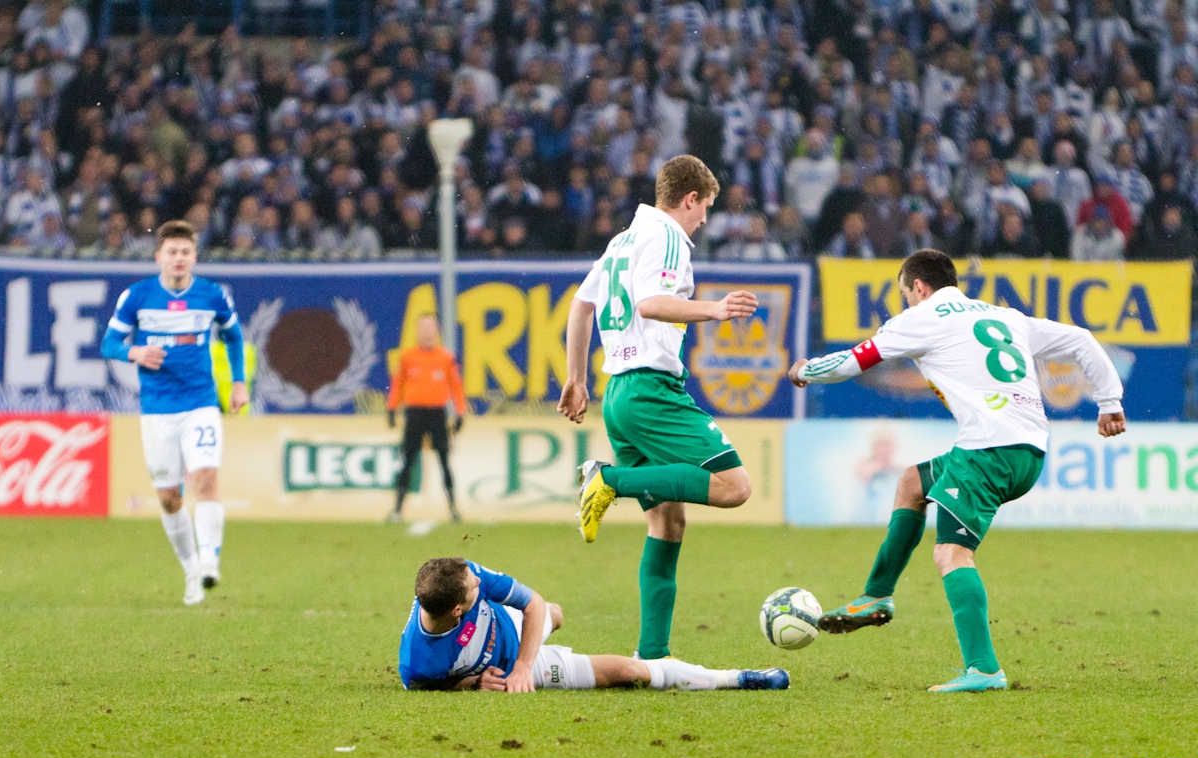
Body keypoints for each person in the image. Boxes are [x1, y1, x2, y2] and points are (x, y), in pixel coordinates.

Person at [788, 249, 1126, 692]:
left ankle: (984, 668)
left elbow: (855, 360)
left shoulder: (921, 316)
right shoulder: (1005, 317)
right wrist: (1110, 402)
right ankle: (876, 594)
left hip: (989, 449)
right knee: (912, 481)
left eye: (906, 294)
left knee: (951, 554)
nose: (907, 302)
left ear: (920, 288)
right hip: (1029, 450)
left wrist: (804, 371)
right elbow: (1081, 339)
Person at [557, 154, 757, 661]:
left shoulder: (623, 239)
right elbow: (649, 302)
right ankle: (607, 480)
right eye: (705, 207)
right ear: (689, 199)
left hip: (619, 395)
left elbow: (582, 306)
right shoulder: (668, 235)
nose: (705, 219)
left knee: (667, 522)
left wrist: (577, 378)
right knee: (735, 488)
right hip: (650, 391)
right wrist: (713, 308)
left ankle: (653, 655)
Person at [100, 220, 247, 606]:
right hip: (157, 411)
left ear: (194, 257)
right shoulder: (137, 296)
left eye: (185, 252)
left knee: (206, 479)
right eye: (172, 252)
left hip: (200, 404)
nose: (179, 258)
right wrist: (134, 351)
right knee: (169, 498)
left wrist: (238, 382)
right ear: (159, 257)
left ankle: (210, 561)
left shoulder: (212, 295)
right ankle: (190, 570)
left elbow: (233, 335)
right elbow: (109, 342)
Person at [399, 558, 789, 692]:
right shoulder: (420, 663)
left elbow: (530, 602)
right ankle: (739, 678)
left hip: (514, 634)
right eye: (473, 589)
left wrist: (521, 666)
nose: (479, 583)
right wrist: (471, 683)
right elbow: (433, 685)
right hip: (501, 668)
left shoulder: (464, 572)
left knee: (551, 611)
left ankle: (546, 628)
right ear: (456, 610)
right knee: (630, 671)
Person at [387, 314, 466, 523]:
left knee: (444, 460)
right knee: (408, 460)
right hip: (414, 413)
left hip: (437, 414)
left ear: (437, 330)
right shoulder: (408, 357)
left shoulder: (445, 358)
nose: (427, 332)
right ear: (417, 331)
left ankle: (453, 508)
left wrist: (460, 412)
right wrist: (392, 408)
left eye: (431, 327)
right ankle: (397, 509)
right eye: (423, 327)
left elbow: (455, 386)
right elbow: (398, 384)